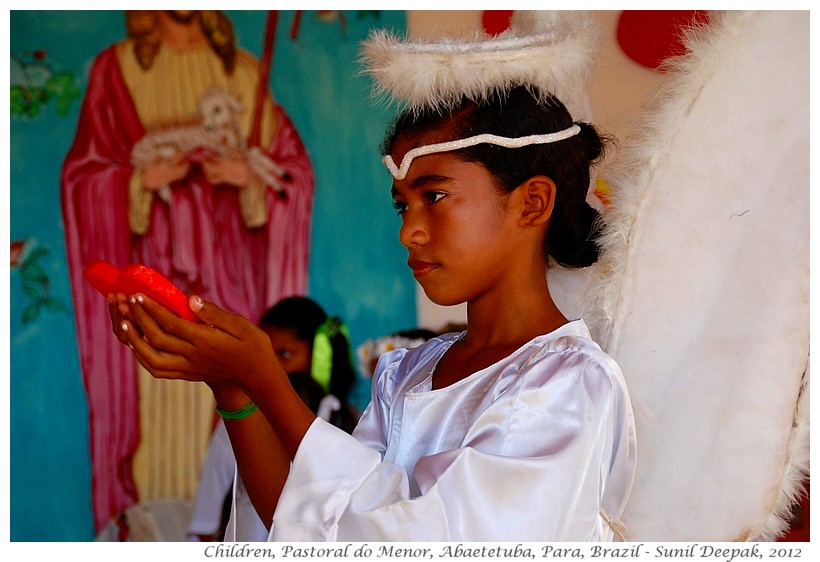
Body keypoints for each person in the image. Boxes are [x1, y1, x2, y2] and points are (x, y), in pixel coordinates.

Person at [110, 12, 636, 541]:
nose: (410, 232)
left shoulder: (567, 384)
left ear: (532, 203)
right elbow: (318, 524)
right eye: (402, 207)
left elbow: (425, 541)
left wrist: (268, 379)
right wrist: (234, 385)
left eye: (434, 197)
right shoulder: (406, 373)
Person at [61, 10, 314, 530]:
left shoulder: (244, 74)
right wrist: (138, 182)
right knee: (158, 422)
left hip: (229, 284)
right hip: (155, 285)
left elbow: (294, 175)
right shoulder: (119, 70)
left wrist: (248, 177)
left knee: (232, 412)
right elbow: (82, 179)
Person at [187, 296, 359, 541]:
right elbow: (207, 525)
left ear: (322, 357)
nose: (270, 367)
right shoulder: (237, 423)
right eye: (265, 354)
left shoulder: (353, 423)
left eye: (285, 354)